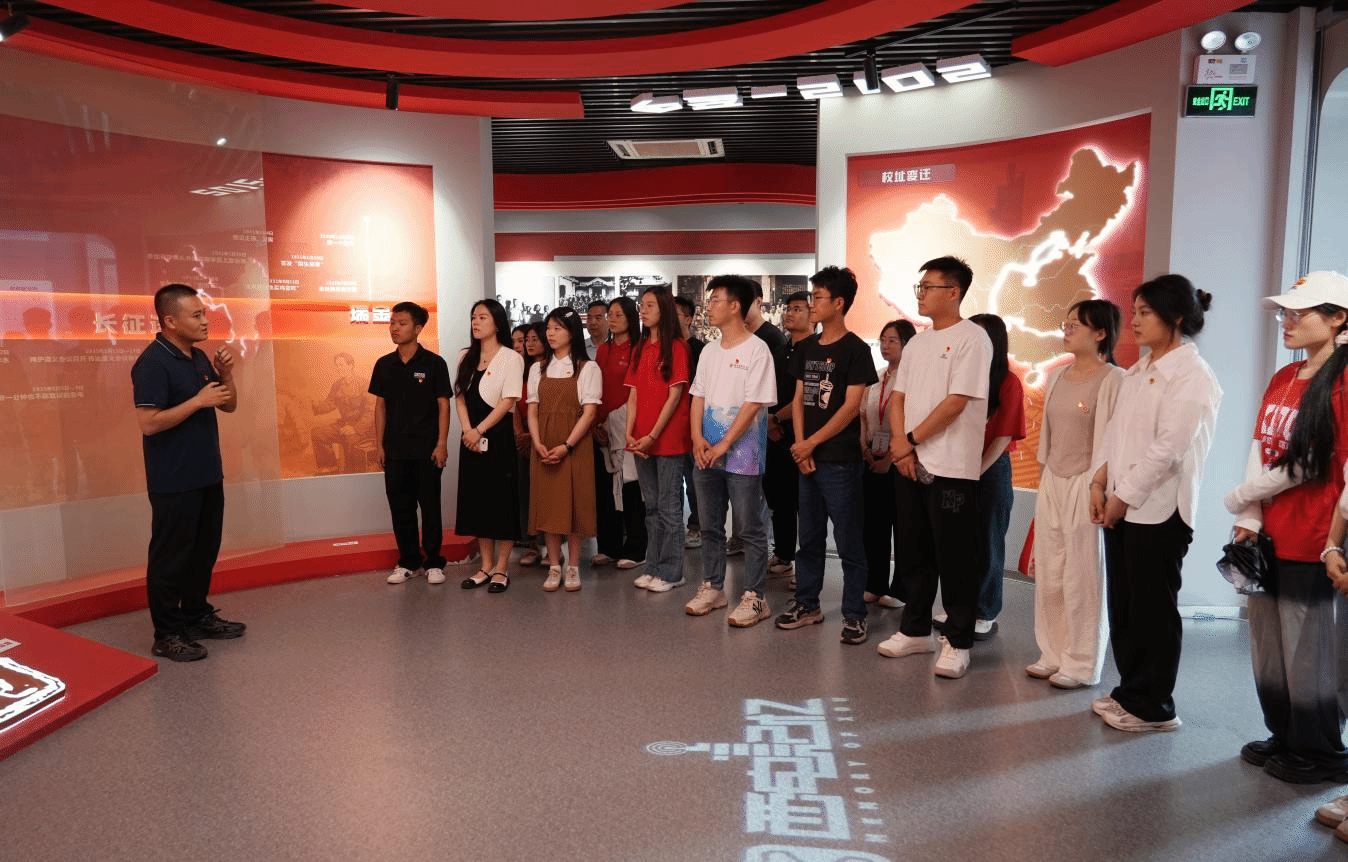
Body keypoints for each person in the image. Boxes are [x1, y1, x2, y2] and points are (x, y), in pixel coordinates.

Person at [1224, 271, 1348, 779]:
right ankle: (1286, 733)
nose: (1288, 321)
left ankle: (1321, 750)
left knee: (1309, 652)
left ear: (1338, 318)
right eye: (1285, 313)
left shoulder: (1341, 383)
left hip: (1313, 536)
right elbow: (1260, 448)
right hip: (1269, 535)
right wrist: (1249, 516)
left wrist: (1240, 497)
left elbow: (1312, 462)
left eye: (1301, 312)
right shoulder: (1283, 377)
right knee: (1270, 648)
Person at [1090, 274, 1221, 732]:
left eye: (1145, 313)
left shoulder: (1192, 375)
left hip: (1161, 509)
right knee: (1125, 606)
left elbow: (1170, 448)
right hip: (1121, 503)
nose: (1135, 321)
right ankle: (1130, 692)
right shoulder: (1138, 370)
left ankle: (1155, 706)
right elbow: (1115, 433)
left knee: (1153, 610)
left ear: (1176, 317)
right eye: (1136, 311)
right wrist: (1099, 482)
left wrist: (1122, 497)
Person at [876, 256, 991, 680]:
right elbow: (899, 398)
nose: (921, 294)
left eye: (929, 287)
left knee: (956, 557)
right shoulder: (919, 343)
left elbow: (956, 402)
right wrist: (901, 447)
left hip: (951, 467)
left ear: (954, 292)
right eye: (919, 287)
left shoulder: (973, 338)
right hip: (909, 462)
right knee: (913, 550)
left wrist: (910, 440)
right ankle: (915, 630)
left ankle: (958, 641)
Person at [131, 283, 244, 661]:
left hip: (207, 473)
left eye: (203, 313)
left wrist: (225, 374)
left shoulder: (197, 357)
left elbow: (228, 405)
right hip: (173, 480)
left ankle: (195, 615)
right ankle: (167, 634)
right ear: (170, 321)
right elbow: (149, 423)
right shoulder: (152, 363)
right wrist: (197, 401)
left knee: (203, 551)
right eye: (196, 315)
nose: (205, 321)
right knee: (170, 558)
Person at [775, 266, 878, 644]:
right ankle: (808, 604)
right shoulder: (806, 348)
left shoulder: (856, 350)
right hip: (808, 459)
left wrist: (811, 443)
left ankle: (855, 614)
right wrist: (801, 445)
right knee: (809, 538)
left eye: (818, 297)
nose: (812, 303)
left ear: (838, 302)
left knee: (849, 542)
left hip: (840, 461)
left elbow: (851, 407)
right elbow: (799, 399)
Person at [1029, 300, 1123, 690]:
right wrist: (1043, 484)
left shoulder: (1114, 379)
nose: (1066, 331)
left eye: (1075, 325)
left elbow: (1113, 442)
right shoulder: (1056, 377)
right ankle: (1051, 652)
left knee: (1083, 576)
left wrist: (1101, 487)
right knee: (1050, 573)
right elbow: (1047, 439)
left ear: (1100, 333)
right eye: (1065, 324)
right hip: (1053, 478)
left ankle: (1082, 663)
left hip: (1089, 483)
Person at [685, 276, 778, 624]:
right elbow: (698, 396)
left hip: (743, 455)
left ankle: (755, 596)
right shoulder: (709, 351)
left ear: (735, 306)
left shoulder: (757, 350)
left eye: (715, 300)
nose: (708, 307)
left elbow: (754, 403)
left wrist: (724, 444)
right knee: (710, 526)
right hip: (706, 452)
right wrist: (697, 438)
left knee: (749, 528)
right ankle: (713, 587)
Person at [369, 301, 452, 586]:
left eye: (401, 323)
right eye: (392, 322)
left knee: (430, 507)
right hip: (394, 451)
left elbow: (443, 405)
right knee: (400, 508)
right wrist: (379, 446)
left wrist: (441, 444)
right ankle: (408, 561)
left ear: (418, 328)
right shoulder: (384, 364)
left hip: (427, 450)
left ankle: (433, 562)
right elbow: (380, 407)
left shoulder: (434, 363)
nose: (394, 328)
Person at [527, 307, 601, 592]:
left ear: (572, 333)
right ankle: (554, 565)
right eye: (549, 328)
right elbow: (532, 410)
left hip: (574, 444)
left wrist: (567, 445)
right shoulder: (537, 368)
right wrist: (537, 442)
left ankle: (573, 566)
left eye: (557, 328)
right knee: (549, 505)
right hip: (544, 443)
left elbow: (590, 412)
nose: (550, 333)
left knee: (575, 504)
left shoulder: (587, 367)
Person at [454, 299, 525, 593]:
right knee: (479, 502)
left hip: (498, 437)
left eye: (482, 317)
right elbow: (459, 396)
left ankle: (502, 567)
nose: (476, 321)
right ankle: (485, 565)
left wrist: (479, 430)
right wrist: (467, 431)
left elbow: (508, 401)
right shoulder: (465, 356)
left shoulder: (511, 357)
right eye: (473, 317)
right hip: (470, 438)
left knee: (501, 502)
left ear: (497, 323)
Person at [625, 286, 693, 592]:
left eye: (650, 305)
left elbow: (675, 396)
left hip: (667, 439)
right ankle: (652, 566)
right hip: (641, 439)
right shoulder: (640, 348)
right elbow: (633, 394)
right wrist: (630, 432)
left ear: (664, 309)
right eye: (642, 304)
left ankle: (673, 571)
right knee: (650, 507)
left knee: (668, 507)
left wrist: (652, 434)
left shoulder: (677, 347)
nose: (643, 309)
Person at [967, 313, 1026, 639]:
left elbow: (1003, 437)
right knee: (962, 544)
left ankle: (985, 611)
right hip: (962, 468)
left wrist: (975, 472)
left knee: (988, 543)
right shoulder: (965, 377)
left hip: (991, 470)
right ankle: (963, 607)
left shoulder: (1009, 382)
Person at [862, 319, 916, 607]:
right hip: (873, 456)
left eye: (892, 341)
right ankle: (875, 583)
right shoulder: (877, 378)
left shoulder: (913, 381)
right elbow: (863, 415)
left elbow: (912, 424)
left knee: (903, 527)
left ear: (908, 345)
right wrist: (864, 447)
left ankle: (901, 590)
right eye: (883, 340)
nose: (885, 345)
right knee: (874, 526)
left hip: (900, 461)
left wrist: (890, 459)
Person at [593, 296, 647, 569]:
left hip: (629, 425)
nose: (612, 319)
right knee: (605, 488)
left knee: (631, 487)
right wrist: (597, 423)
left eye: (618, 315)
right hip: (603, 425)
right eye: (610, 315)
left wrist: (626, 423)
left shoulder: (640, 349)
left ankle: (637, 548)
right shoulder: (603, 350)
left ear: (631, 318)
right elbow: (597, 389)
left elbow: (639, 391)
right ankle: (609, 546)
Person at [764, 291, 813, 584]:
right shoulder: (780, 351)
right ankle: (784, 555)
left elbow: (805, 398)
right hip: (774, 435)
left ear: (812, 315)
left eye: (797, 309)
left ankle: (806, 567)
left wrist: (777, 418)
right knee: (779, 498)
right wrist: (769, 420)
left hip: (802, 436)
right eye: (788, 308)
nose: (790, 313)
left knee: (804, 503)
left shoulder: (816, 350)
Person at [514, 322, 546, 566]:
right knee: (526, 491)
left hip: (545, 432)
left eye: (534, 339)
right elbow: (513, 402)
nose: (528, 344)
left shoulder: (552, 368)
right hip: (523, 433)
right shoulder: (520, 370)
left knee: (546, 491)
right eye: (527, 340)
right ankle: (533, 545)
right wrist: (519, 434)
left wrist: (535, 435)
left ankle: (551, 546)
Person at [310, 352, 374, 473]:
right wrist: (314, 405)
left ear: (351, 365)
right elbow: (329, 403)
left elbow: (370, 413)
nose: (339, 368)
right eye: (337, 365)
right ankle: (330, 469)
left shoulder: (364, 384)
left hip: (363, 428)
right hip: (344, 424)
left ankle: (350, 473)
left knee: (348, 438)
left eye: (341, 365)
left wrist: (355, 428)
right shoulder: (337, 385)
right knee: (318, 434)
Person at [675, 294, 705, 549]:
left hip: (695, 424)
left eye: (676, 314)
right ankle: (674, 527)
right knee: (673, 482)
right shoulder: (664, 348)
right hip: (670, 426)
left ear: (689, 318)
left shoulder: (699, 349)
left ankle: (697, 526)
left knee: (695, 482)